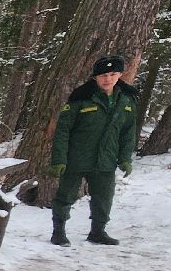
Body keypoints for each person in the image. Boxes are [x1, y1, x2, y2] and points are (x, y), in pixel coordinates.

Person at [49, 54, 138, 247]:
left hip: (106, 160)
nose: (108, 79)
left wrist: (125, 159)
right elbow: (62, 131)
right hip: (76, 158)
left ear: (120, 75)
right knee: (65, 196)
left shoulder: (126, 101)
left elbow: (128, 133)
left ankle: (98, 232)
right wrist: (59, 160)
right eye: (103, 75)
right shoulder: (81, 98)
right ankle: (59, 231)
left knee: (104, 198)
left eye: (113, 74)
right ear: (95, 77)